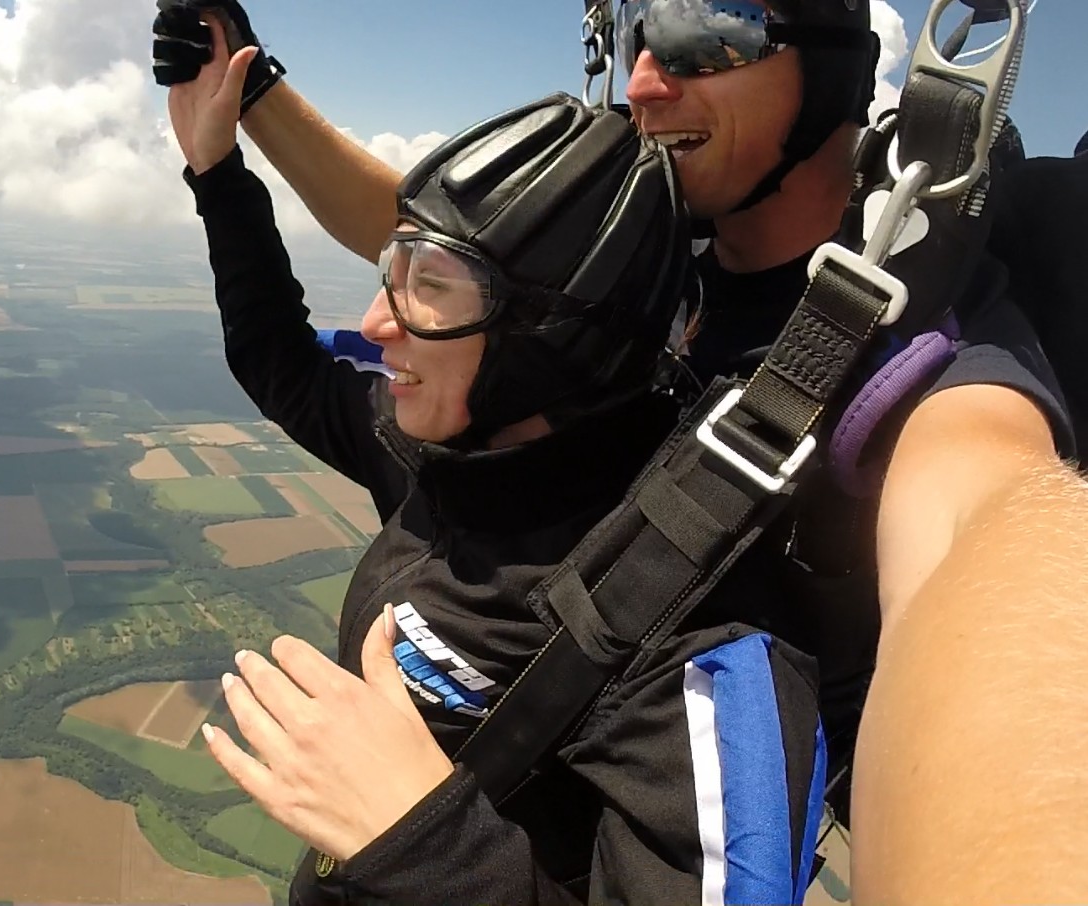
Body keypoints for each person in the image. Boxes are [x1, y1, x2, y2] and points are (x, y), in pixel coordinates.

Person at [153, 0, 1088, 900]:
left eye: (702, 28)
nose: (640, 81)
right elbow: (466, 267)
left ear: (832, 48)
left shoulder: (927, 365)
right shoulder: (621, 282)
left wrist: (423, 843)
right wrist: (248, 97)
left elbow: (993, 533)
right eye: (636, 25)